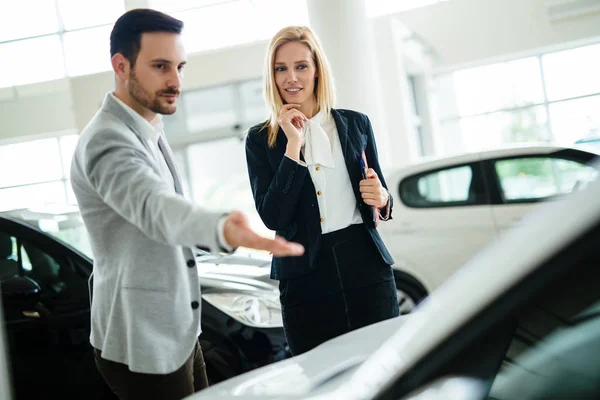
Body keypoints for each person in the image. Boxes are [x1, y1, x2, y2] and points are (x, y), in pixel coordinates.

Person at [70, 9, 303, 400]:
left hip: (175, 327)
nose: (175, 81)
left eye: (179, 66)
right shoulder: (107, 142)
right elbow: (154, 206)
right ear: (121, 65)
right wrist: (222, 228)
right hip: (141, 337)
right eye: (160, 66)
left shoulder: (145, 127)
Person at [245, 26, 399, 356]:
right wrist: (294, 147)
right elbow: (274, 216)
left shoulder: (356, 123)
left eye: (301, 66)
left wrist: (382, 198)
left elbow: (380, 192)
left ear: (317, 70)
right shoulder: (260, 140)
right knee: (320, 378)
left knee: (382, 366)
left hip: (365, 263)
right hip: (304, 278)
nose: (291, 78)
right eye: (280, 68)